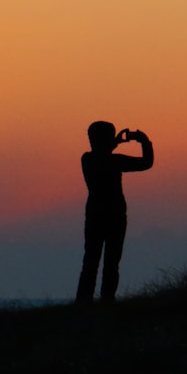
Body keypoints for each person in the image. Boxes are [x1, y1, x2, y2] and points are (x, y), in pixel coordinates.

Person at [75, 121, 153, 303]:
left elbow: (102, 153)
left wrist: (115, 142)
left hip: (95, 214)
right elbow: (146, 163)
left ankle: (84, 301)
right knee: (111, 261)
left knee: (91, 260)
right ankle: (106, 299)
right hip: (115, 215)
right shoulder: (113, 160)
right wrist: (144, 141)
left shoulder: (87, 159)